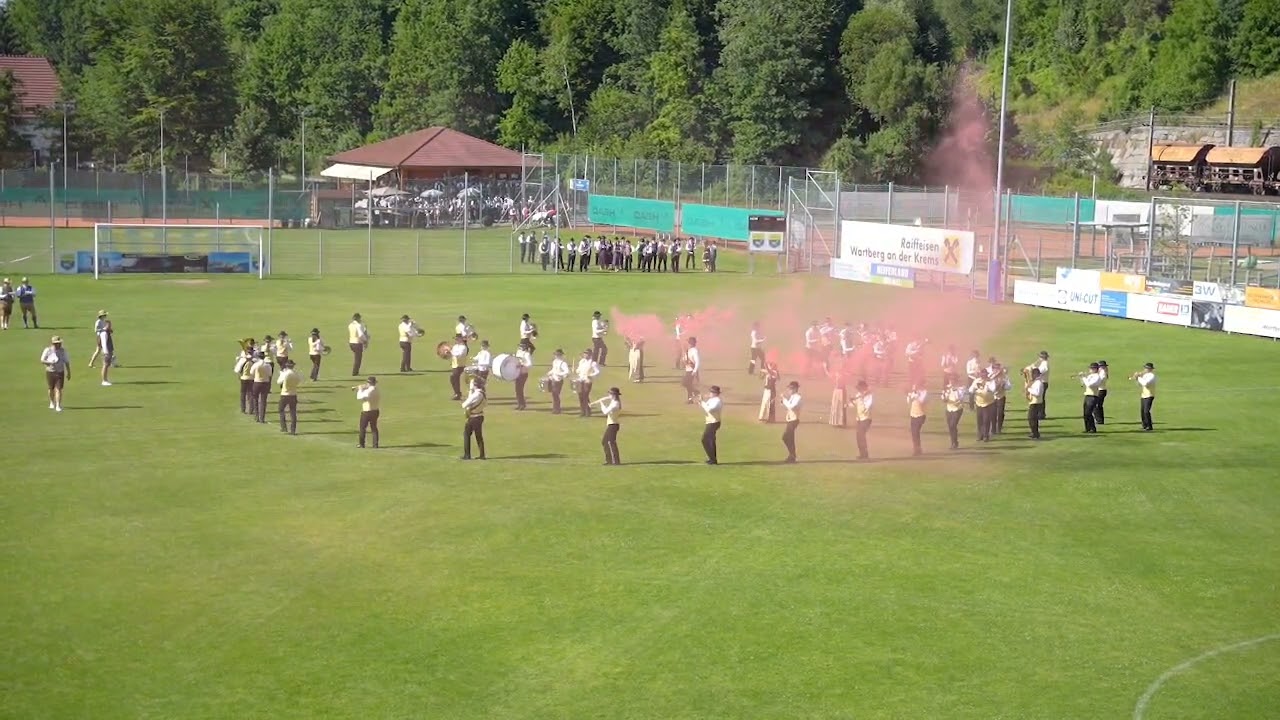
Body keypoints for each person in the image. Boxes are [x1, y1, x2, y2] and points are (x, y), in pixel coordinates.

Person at [40, 335, 70, 412]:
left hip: (60, 372)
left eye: (59, 343)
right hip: (50, 371)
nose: (59, 344)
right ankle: (51, 402)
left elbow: (66, 362)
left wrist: (68, 372)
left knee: (58, 389)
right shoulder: (48, 350)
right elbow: (42, 360)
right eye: (57, 343)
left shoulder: (63, 351)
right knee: (51, 388)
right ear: (53, 343)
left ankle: (58, 405)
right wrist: (50, 362)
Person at [460, 376, 487, 459]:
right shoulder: (483, 393)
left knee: (466, 434)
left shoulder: (476, 394)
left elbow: (464, 404)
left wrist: (470, 391)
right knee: (479, 436)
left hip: (473, 417)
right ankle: (482, 455)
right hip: (480, 416)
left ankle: (467, 455)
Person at [596, 386, 622, 465]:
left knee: (610, 442)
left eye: (610, 394)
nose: (609, 396)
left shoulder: (615, 404)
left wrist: (601, 403)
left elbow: (605, 412)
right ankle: (610, 460)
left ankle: (614, 461)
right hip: (612, 425)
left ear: (614, 395)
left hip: (613, 425)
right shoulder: (614, 402)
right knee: (605, 442)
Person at [354, 376, 381, 449]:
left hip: (367, 411)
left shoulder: (368, 391)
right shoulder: (376, 389)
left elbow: (359, 397)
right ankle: (375, 445)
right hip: (375, 410)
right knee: (374, 428)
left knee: (362, 428)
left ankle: (361, 444)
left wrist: (360, 389)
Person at [700, 385, 723, 465]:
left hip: (713, 422)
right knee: (710, 440)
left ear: (715, 393)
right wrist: (701, 402)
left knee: (705, 440)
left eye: (711, 392)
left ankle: (712, 459)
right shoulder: (712, 400)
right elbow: (706, 408)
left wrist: (702, 402)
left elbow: (709, 409)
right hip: (711, 422)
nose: (709, 393)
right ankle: (712, 459)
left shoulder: (717, 401)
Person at [1024, 351, 1050, 420]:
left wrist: (1032, 367)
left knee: (1041, 399)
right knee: (1041, 399)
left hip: (1043, 383)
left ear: (1042, 357)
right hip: (1042, 382)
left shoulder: (1045, 364)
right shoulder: (1043, 363)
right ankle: (1040, 413)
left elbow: (1039, 372)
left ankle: (1041, 414)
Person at [851, 380, 873, 460]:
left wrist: (862, 399)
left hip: (866, 419)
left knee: (861, 435)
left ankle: (865, 455)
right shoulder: (858, 395)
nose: (858, 389)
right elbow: (855, 404)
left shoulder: (869, 396)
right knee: (858, 436)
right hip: (859, 419)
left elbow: (868, 406)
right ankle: (862, 454)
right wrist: (850, 403)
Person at [249, 351, 273, 424]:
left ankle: (256, 416)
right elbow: (270, 374)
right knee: (263, 401)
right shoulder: (268, 365)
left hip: (257, 382)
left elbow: (251, 373)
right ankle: (262, 417)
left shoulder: (256, 365)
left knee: (255, 399)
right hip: (265, 382)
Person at [277, 359, 300, 434]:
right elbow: (298, 382)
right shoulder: (296, 373)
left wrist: (281, 374)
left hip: (285, 394)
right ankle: (293, 430)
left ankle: (284, 427)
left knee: (281, 410)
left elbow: (279, 382)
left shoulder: (285, 373)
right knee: (293, 412)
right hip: (293, 394)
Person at [575, 349, 601, 417]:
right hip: (580, 380)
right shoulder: (581, 361)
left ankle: (588, 411)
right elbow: (579, 369)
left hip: (587, 381)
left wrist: (591, 375)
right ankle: (582, 411)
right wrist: (577, 370)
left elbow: (598, 372)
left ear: (590, 355)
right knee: (580, 396)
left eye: (587, 354)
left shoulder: (593, 363)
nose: (585, 355)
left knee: (585, 396)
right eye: (584, 353)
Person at [781, 381, 803, 463]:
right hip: (790, 419)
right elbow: (789, 405)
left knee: (786, 437)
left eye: (791, 389)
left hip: (794, 420)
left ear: (795, 389)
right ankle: (792, 456)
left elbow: (791, 406)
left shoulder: (798, 397)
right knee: (789, 438)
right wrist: (783, 402)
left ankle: (792, 455)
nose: (789, 390)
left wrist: (784, 400)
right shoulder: (793, 397)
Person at [943, 379, 966, 450]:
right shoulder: (947, 388)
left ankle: (954, 442)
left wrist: (954, 390)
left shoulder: (961, 389)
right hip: (949, 409)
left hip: (957, 409)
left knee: (953, 425)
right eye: (950, 381)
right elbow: (944, 399)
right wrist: (945, 396)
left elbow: (960, 398)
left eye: (953, 381)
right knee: (950, 426)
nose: (951, 383)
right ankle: (953, 442)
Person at [907, 381, 928, 456]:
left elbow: (921, 401)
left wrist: (916, 394)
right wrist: (909, 395)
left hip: (920, 415)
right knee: (914, 433)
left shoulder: (924, 392)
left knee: (916, 432)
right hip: (913, 414)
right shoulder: (914, 393)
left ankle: (917, 449)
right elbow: (908, 401)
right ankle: (917, 448)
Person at [1080, 362, 1102, 434]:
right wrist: (1082, 378)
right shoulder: (1090, 376)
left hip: (1093, 396)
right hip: (1087, 395)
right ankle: (1087, 428)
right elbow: (1083, 384)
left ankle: (1093, 428)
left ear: (1096, 369)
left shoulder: (1097, 377)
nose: (1090, 369)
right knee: (1085, 413)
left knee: (1088, 412)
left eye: (1092, 368)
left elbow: (1089, 384)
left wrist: (1084, 377)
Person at [546, 349, 570, 414]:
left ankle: (557, 409)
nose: (556, 356)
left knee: (556, 394)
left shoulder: (563, 363)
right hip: (553, 379)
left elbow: (567, 372)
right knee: (554, 394)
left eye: (557, 355)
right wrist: (549, 372)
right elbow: (554, 369)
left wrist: (559, 374)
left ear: (560, 355)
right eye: (555, 355)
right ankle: (555, 408)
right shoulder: (554, 361)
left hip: (558, 380)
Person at [235, 341, 256, 414]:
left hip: (243, 378)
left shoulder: (243, 360)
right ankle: (251, 409)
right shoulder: (255, 360)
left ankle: (243, 409)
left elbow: (236, 370)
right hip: (252, 379)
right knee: (251, 394)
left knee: (243, 394)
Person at [1135, 362, 1157, 431]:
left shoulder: (1152, 376)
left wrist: (1138, 377)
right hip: (1144, 395)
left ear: (1150, 369)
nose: (1145, 369)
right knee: (1142, 411)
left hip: (1150, 395)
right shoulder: (1145, 375)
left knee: (1146, 411)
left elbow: (1145, 383)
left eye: (1147, 368)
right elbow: (1140, 384)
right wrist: (1137, 378)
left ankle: (1149, 426)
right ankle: (1144, 425)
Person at [96, 311, 115, 386]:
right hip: (106, 352)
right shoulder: (104, 333)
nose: (110, 326)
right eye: (109, 325)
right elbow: (104, 343)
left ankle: (105, 379)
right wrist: (106, 352)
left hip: (108, 351)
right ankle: (104, 380)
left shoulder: (107, 332)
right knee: (105, 365)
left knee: (107, 365)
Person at [514, 338, 533, 410]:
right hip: (517, 373)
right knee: (517, 389)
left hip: (523, 373)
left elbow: (530, 364)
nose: (521, 347)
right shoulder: (518, 352)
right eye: (521, 346)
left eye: (523, 346)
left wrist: (522, 365)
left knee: (520, 389)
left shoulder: (527, 354)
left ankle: (522, 404)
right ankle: (520, 404)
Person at [448, 334, 469, 400]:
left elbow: (459, 355)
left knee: (454, 377)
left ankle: (457, 394)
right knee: (453, 379)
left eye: (457, 339)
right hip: (454, 365)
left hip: (460, 365)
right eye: (455, 339)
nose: (456, 340)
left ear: (461, 339)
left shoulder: (464, 347)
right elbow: (452, 354)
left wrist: (451, 353)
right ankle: (457, 393)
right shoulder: (455, 346)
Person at [1026, 367, 1045, 439]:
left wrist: (1029, 389)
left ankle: (1035, 433)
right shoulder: (1036, 382)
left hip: (1036, 403)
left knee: (1031, 418)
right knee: (1033, 419)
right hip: (1033, 402)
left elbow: (1037, 393)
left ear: (1036, 374)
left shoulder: (1039, 383)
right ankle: (1034, 433)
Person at [682, 337, 701, 403]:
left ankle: (696, 393)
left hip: (692, 370)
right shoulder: (688, 350)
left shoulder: (694, 351)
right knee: (688, 384)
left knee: (685, 383)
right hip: (688, 369)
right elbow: (685, 359)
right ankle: (690, 399)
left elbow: (697, 361)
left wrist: (695, 371)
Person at [1093, 360, 1109, 425]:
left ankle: (1099, 420)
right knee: (1098, 405)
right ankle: (1099, 420)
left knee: (1097, 405)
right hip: (1100, 390)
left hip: (1101, 390)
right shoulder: (1101, 372)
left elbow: (1100, 381)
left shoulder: (1103, 373)